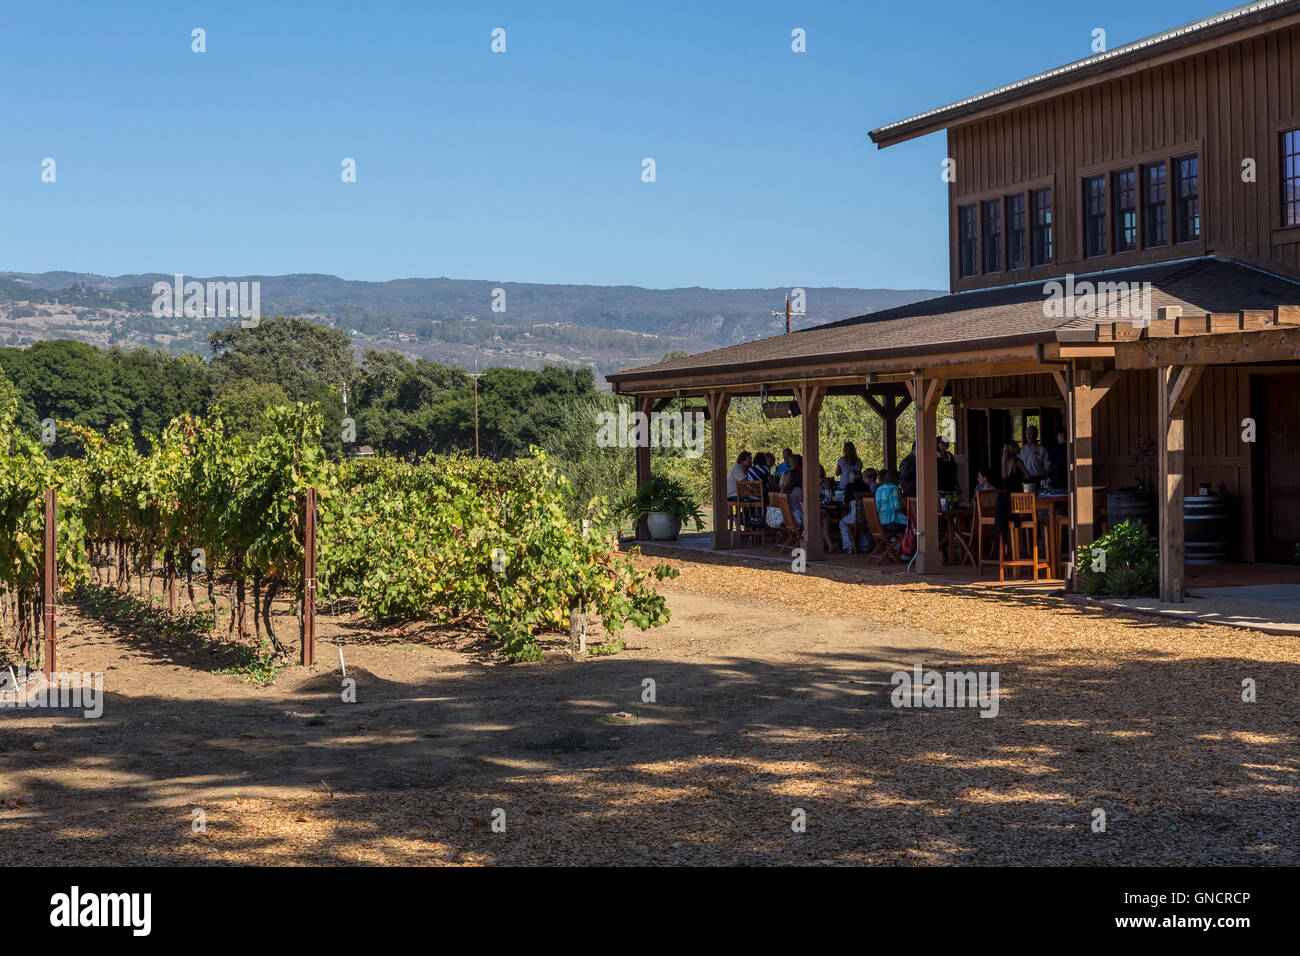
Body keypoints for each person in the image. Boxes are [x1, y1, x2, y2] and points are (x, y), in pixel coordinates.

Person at [837, 467, 873, 552]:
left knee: (842, 522)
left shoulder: (849, 486)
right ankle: (865, 545)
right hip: (866, 517)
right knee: (859, 525)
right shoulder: (866, 486)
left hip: (856, 515)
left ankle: (848, 545)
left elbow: (845, 502)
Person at [875, 469, 906, 535]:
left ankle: (895, 542)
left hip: (878, 523)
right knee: (915, 525)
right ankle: (906, 544)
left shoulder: (879, 488)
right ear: (897, 479)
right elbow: (896, 507)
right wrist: (906, 505)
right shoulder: (894, 488)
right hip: (890, 523)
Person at [1047, 426, 1069, 491]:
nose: (1057, 438)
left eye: (1058, 435)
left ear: (1063, 435)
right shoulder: (1072, 448)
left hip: (1058, 482)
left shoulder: (1056, 450)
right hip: (1070, 481)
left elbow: (1047, 466)